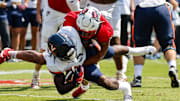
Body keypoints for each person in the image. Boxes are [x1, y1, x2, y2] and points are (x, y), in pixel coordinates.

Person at [0, 25, 157, 101]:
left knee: (114, 50)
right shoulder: (55, 63)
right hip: (81, 66)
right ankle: (124, 88)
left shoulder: (70, 32)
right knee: (105, 83)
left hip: (86, 51)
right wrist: (74, 81)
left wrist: (95, 43)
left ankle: (140, 50)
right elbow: (61, 90)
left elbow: (85, 27)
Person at [31, 0, 81, 89]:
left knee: (70, 45)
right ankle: (36, 74)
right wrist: (38, 13)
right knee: (44, 47)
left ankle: (71, 75)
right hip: (53, 12)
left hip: (69, 13)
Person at [130, 0, 179, 88]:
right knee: (168, 44)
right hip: (161, 7)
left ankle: (137, 78)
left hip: (142, 8)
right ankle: (172, 67)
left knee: (139, 46)